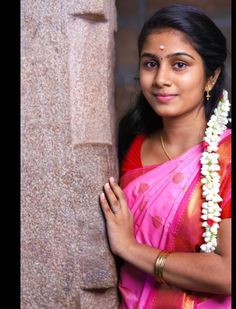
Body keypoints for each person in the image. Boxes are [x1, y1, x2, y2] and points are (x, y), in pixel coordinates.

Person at [100, 4, 231, 308]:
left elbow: (227, 273)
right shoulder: (127, 145)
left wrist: (130, 248)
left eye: (179, 65)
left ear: (210, 77)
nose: (161, 79)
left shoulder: (226, 157)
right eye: (150, 64)